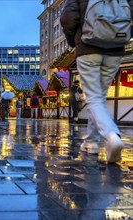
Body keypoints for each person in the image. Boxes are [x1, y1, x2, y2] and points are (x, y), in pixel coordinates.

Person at [60, 0, 133, 162]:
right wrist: (121, 34)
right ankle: (91, 142)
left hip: (88, 48)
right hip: (115, 51)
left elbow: (67, 18)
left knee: (93, 98)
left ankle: (112, 135)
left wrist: (75, 41)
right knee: (98, 98)